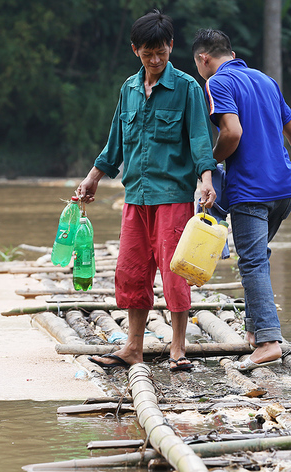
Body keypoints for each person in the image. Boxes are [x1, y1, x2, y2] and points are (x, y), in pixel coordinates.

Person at [78, 11, 217, 372]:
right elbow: (115, 144)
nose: (155, 61)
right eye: (147, 54)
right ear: (135, 50)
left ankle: (178, 349)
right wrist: (93, 176)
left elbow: (201, 140)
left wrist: (206, 180)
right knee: (131, 271)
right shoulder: (128, 89)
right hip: (135, 197)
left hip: (172, 197)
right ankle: (133, 348)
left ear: (171, 47)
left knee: (175, 272)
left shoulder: (187, 88)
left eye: (161, 53)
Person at [192, 29, 291, 371]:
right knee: (256, 255)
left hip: (251, 190)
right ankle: (254, 331)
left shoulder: (218, 83)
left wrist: (209, 162)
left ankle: (268, 341)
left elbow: (232, 132)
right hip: (285, 189)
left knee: (251, 262)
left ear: (204, 59)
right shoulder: (266, 81)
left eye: (198, 65)